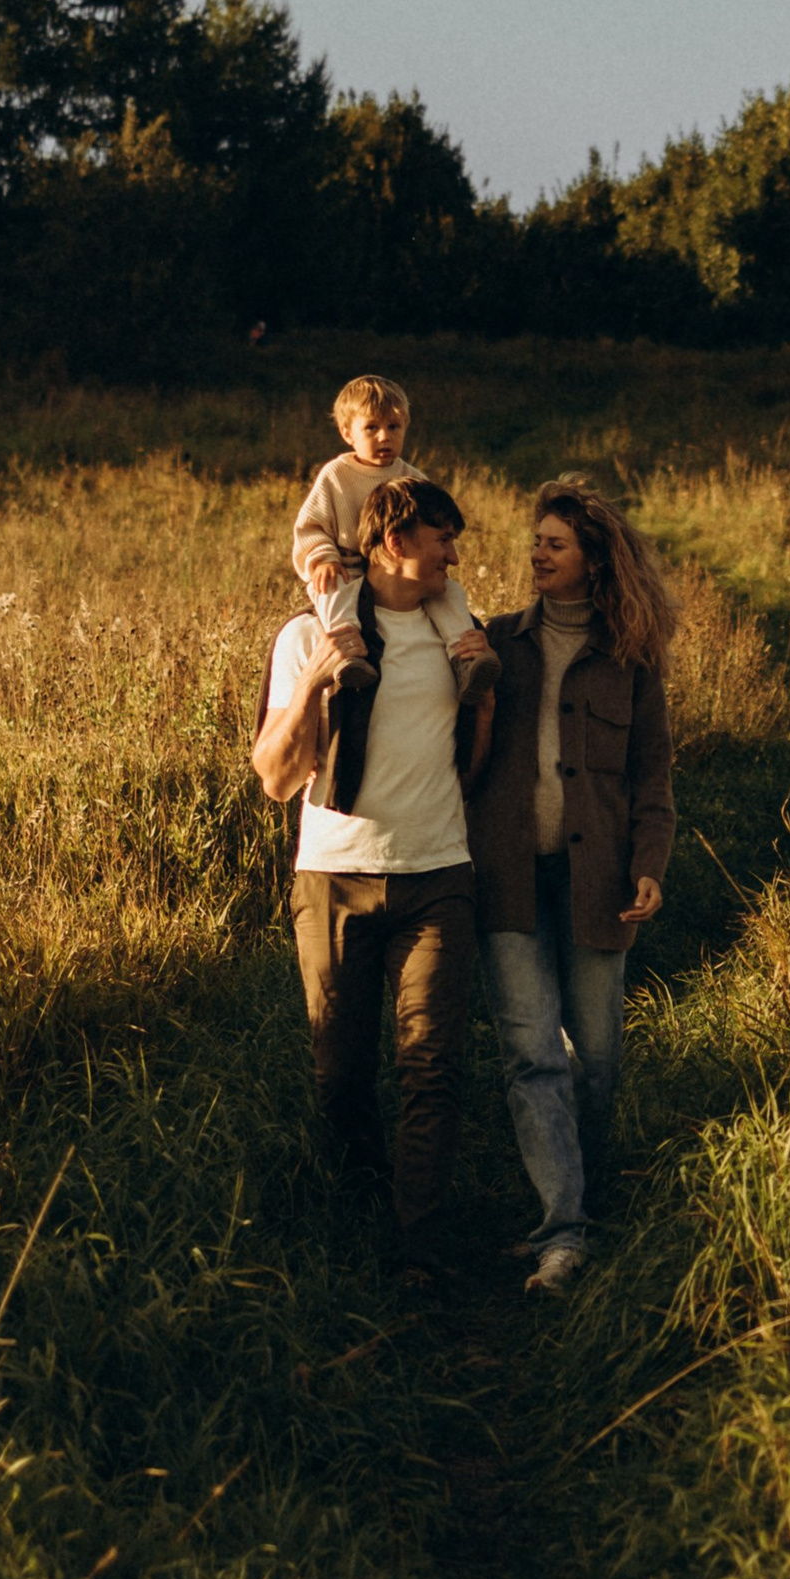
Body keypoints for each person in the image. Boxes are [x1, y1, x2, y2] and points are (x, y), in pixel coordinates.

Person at [253, 471, 490, 1281]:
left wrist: (484, 694)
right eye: (442, 541)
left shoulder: (461, 636)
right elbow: (277, 776)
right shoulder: (304, 636)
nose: (454, 557)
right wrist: (319, 677)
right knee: (342, 1071)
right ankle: (356, 1222)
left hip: (438, 878)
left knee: (431, 1064)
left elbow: (478, 763)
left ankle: (417, 1248)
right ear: (395, 542)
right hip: (334, 879)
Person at [464, 481, 676, 1297]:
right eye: (536, 541)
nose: (537, 554)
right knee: (529, 1055)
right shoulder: (498, 643)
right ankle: (564, 1231)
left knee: (597, 1056)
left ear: (595, 560)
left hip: (600, 883)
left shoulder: (631, 661)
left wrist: (650, 866)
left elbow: (652, 777)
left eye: (554, 543)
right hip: (507, 877)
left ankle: (578, 1204)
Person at [292, 373, 495, 703]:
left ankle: (464, 658)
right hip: (348, 564)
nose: (384, 437)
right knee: (330, 589)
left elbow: (434, 520)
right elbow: (312, 526)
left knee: (448, 594)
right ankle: (350, 655)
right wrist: (322, 557)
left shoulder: (411, 477)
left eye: (394, 427)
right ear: (348, 433)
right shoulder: (336, 476)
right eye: (371, 428)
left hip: (400, 569)